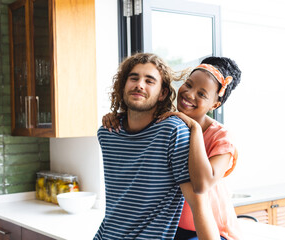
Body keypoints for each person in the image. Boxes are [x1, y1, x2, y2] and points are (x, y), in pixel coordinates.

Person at [103, 56, 242, 240]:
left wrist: (195, 129)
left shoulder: (219, 137)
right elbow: (144, 113)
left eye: (202, 94)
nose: (190, 94)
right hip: (174, 226)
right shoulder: (170, 122)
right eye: (189, 85)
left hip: (211, 228)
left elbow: (201, 186)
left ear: (215, 104)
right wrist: (118, 115)